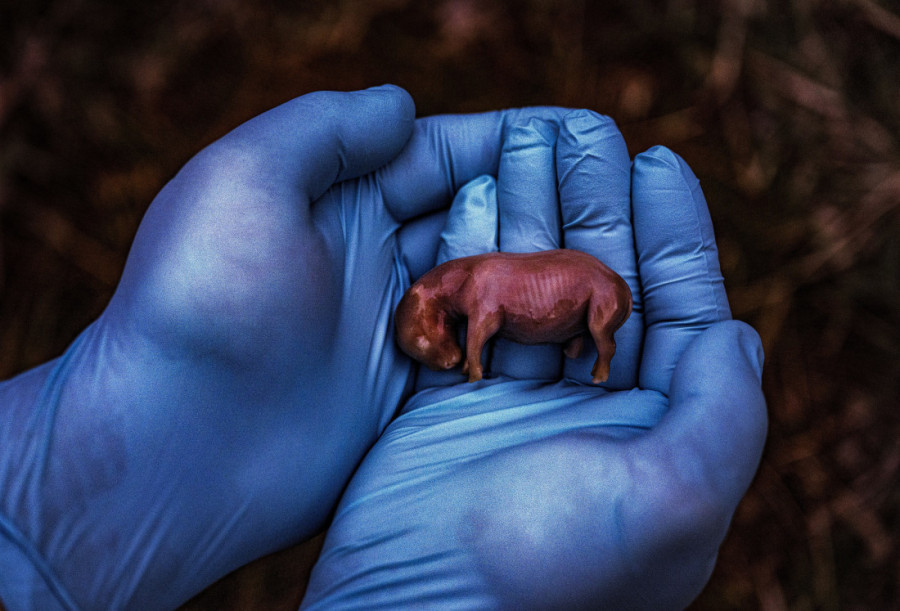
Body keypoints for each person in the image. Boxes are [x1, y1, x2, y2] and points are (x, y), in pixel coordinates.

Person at [0, 85, 767, 610]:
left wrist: (48, 515)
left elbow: (482, 322)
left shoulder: (478, 290)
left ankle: (588, 355)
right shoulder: (459, 289)